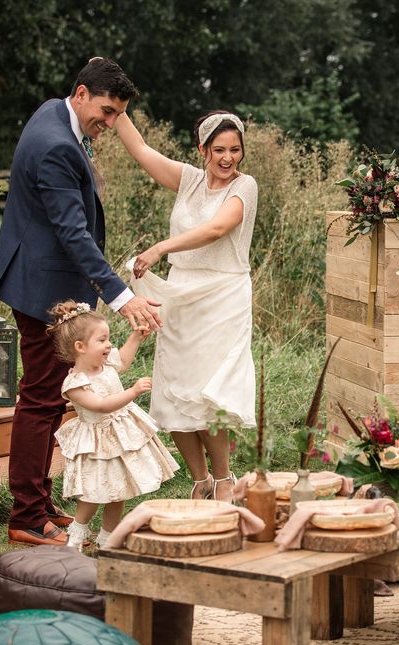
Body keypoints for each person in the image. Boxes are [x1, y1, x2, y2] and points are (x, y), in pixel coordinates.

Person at [0, 58, 162, 546]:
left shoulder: (55, 112)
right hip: (43, 287)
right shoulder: (55, 146)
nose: (108, 124)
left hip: (43, 277)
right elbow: (72, 233)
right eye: (105, 112)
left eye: (116, 117)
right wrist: (122, 296)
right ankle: (26, 514)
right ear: (82, 93)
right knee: (42, 400)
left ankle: (40, 503)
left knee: (46, 398)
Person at [115, 109, 257, 503]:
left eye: (235, 150)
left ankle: (225, 478)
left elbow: (216, 229)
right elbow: (141, 150)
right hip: (181, 294)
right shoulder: (189, 180)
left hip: (223, 296)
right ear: (203, 150)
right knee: (175, 386)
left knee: (209, 390)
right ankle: (201, 480)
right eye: (218, 150)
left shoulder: (245, 187)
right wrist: (120, 109)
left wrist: (160, 246)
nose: (227, 158)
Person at [47, 300, 179, 549]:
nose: (109, 345)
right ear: (80, 347)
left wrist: (136, 338)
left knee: (120, 489)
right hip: (97, 444)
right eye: (102, 340)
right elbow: (100, 405)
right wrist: (133, 391)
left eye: (108, 339)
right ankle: (77, 533)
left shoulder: (106, 364)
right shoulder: (76, 383)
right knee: (93, 492)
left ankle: (108, 536)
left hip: (121, 437)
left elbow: (124, 361)